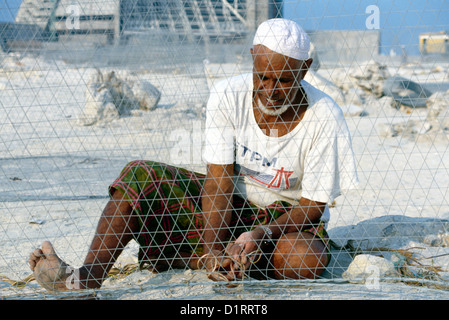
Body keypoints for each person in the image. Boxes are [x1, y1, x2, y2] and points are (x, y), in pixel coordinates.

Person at [28, 18, 358, 291]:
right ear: (252, 56)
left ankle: (210, 257)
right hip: (227, 209)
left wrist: (261, 234)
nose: (270, 91)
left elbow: (313, 206)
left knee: (304, 260)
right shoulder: (227, 95)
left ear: (305, 70)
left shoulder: (325, 115)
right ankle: (86, 278)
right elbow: (218, 183)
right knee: (140, 175)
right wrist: (215, 249)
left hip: (286, 222)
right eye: (263, 76)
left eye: (284, 80)